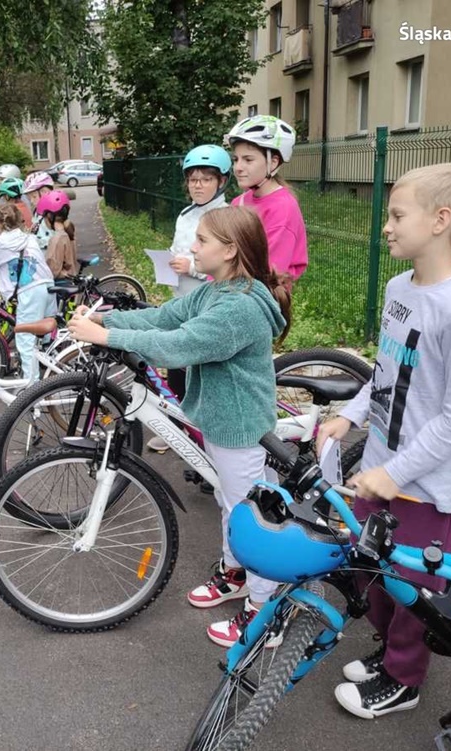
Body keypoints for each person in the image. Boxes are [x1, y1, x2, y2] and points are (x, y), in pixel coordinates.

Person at [317, 163, 451, 719]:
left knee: (412, 589)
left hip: (424, 483)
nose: (387, 227)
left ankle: (404, 678)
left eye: (398, 215)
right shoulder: (401, 288)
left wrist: (396, 473)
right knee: (372, 577)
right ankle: (389, 649)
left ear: (441, 220)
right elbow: (386, 372)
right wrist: (349, 418)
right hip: (382, 464)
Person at [68, 205, 291, 646]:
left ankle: (266, 610)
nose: (193, 247)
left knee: (250, 516)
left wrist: (108, 338)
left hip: (240, 425)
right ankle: (236, 574)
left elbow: (179, 345)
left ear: (229, 251)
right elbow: (165, 317)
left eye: (203, 240)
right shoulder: (215, 290)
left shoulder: (240, 307)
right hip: (221, 418)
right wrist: (104, 320)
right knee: (234, 504)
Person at [146, 144, 232, 454]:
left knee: (200, 370)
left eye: (206, 179)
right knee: (177, 367)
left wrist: (192, 267)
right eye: (193, 179)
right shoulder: (186, 214)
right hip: (181, 299)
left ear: (221, 182)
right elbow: (180, 247)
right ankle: (179, 427)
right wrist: (170, 261)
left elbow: (226, 261)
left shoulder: (223, 216)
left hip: (207, 301)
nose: (198, 185)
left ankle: (204, 434)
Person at [0, 203, 55, 382]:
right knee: (45, 340)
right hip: (47, 286)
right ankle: (53, 375)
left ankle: (32, 392)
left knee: (25, 340)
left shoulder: (1, 243)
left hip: (30, 292)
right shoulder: (28, 238)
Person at [225, 115, 308, 284]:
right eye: (236, 159)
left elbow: (269, 271)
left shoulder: (283, 208)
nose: (238, 167)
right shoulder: (239, 202)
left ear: (272, 163)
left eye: (248, 160)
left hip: (260, 299)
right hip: (229, 291)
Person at [36, 190, 77, 280]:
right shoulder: (68, 229)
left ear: (50, 216)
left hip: (62, 286)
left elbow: (52, 271)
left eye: (44, 218)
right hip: (71, 280)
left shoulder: (57, 239)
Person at [23, 171, 56, 251]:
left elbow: (56, 239)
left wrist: (32, 239)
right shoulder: (37, 211)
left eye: (34, 197)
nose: (31, 201)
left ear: (45, 192)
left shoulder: (53, 213)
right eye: (29, 198)